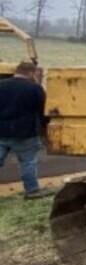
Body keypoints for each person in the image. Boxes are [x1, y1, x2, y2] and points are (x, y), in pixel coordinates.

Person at [0, 60, 52, 199]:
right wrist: (45, 131)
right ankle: (32, 191)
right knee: (28, 162)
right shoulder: (35, 89)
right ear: (31, 72)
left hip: (2, 131)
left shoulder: (1, 85)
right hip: (25, 133)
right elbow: (43, 112)